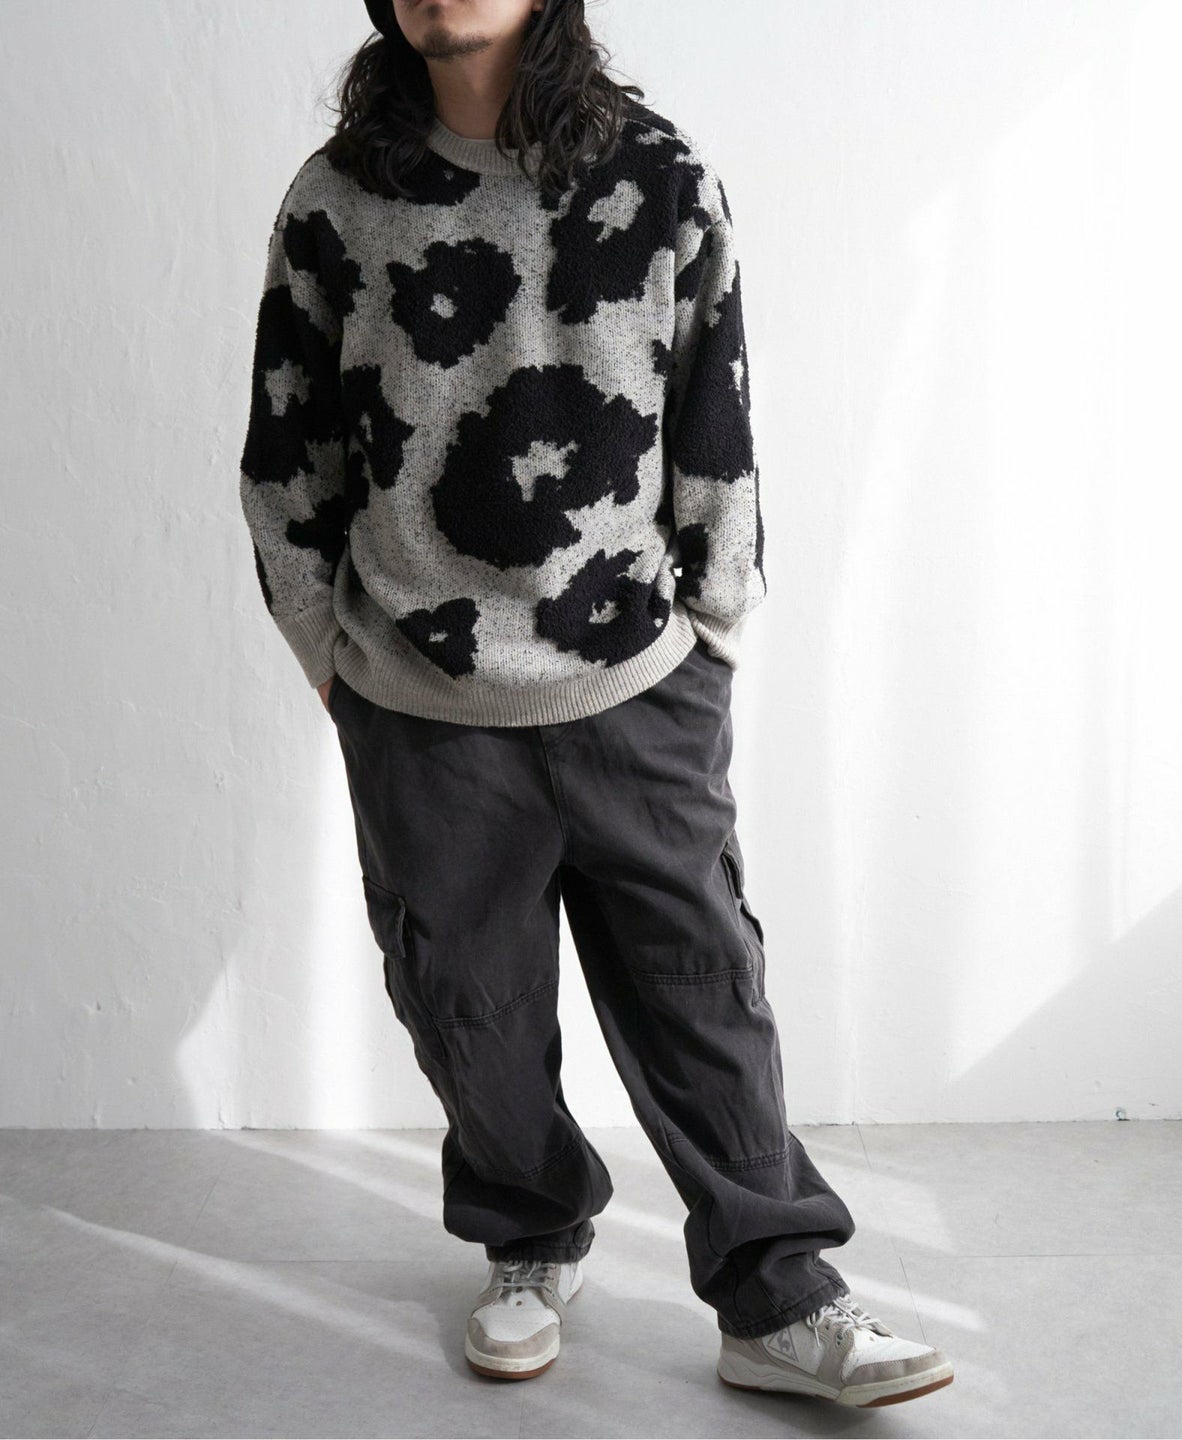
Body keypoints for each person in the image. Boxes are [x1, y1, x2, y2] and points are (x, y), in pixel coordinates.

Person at [238, 0, 954, 1409]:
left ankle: (779, 1296)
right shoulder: (338, 198)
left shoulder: (658, 176)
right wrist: (324, 646)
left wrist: (714, 637)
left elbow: (715, 414)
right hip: (422, 700)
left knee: (704, 996)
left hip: (635, 683)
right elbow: (287, 441)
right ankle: (529, 1240)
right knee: (467, 1005)